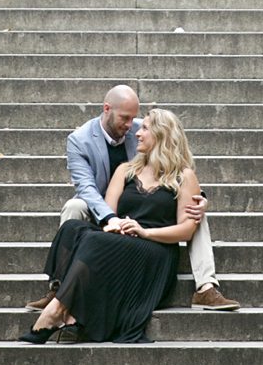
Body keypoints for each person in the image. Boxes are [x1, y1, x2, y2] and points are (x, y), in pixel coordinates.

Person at [31, 84, 240, 311]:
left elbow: (178, 169)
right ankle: (59, 287)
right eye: (125, 118)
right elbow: (87, 189)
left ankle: (206, 287)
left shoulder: (142, 129)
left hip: (145, 207)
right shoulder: (79, 140)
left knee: (195, 212)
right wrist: (111, 218)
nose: (132, 127)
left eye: (135, 119)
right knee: (73, 207)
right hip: (100, 203)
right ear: (107, 109)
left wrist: (198, 198)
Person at [23, 109, 204, 343]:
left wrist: (144, 231)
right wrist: (118, 227)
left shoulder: (183, 176)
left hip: (154, 250)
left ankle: (56, 311)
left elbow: (186, 230)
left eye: (145, 128)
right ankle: (63, 298)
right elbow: (109, 213)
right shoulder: (125, 170)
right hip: (121, 239)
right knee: (71, 229)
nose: (137, 133)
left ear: (161, 135)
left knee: (95, 240)